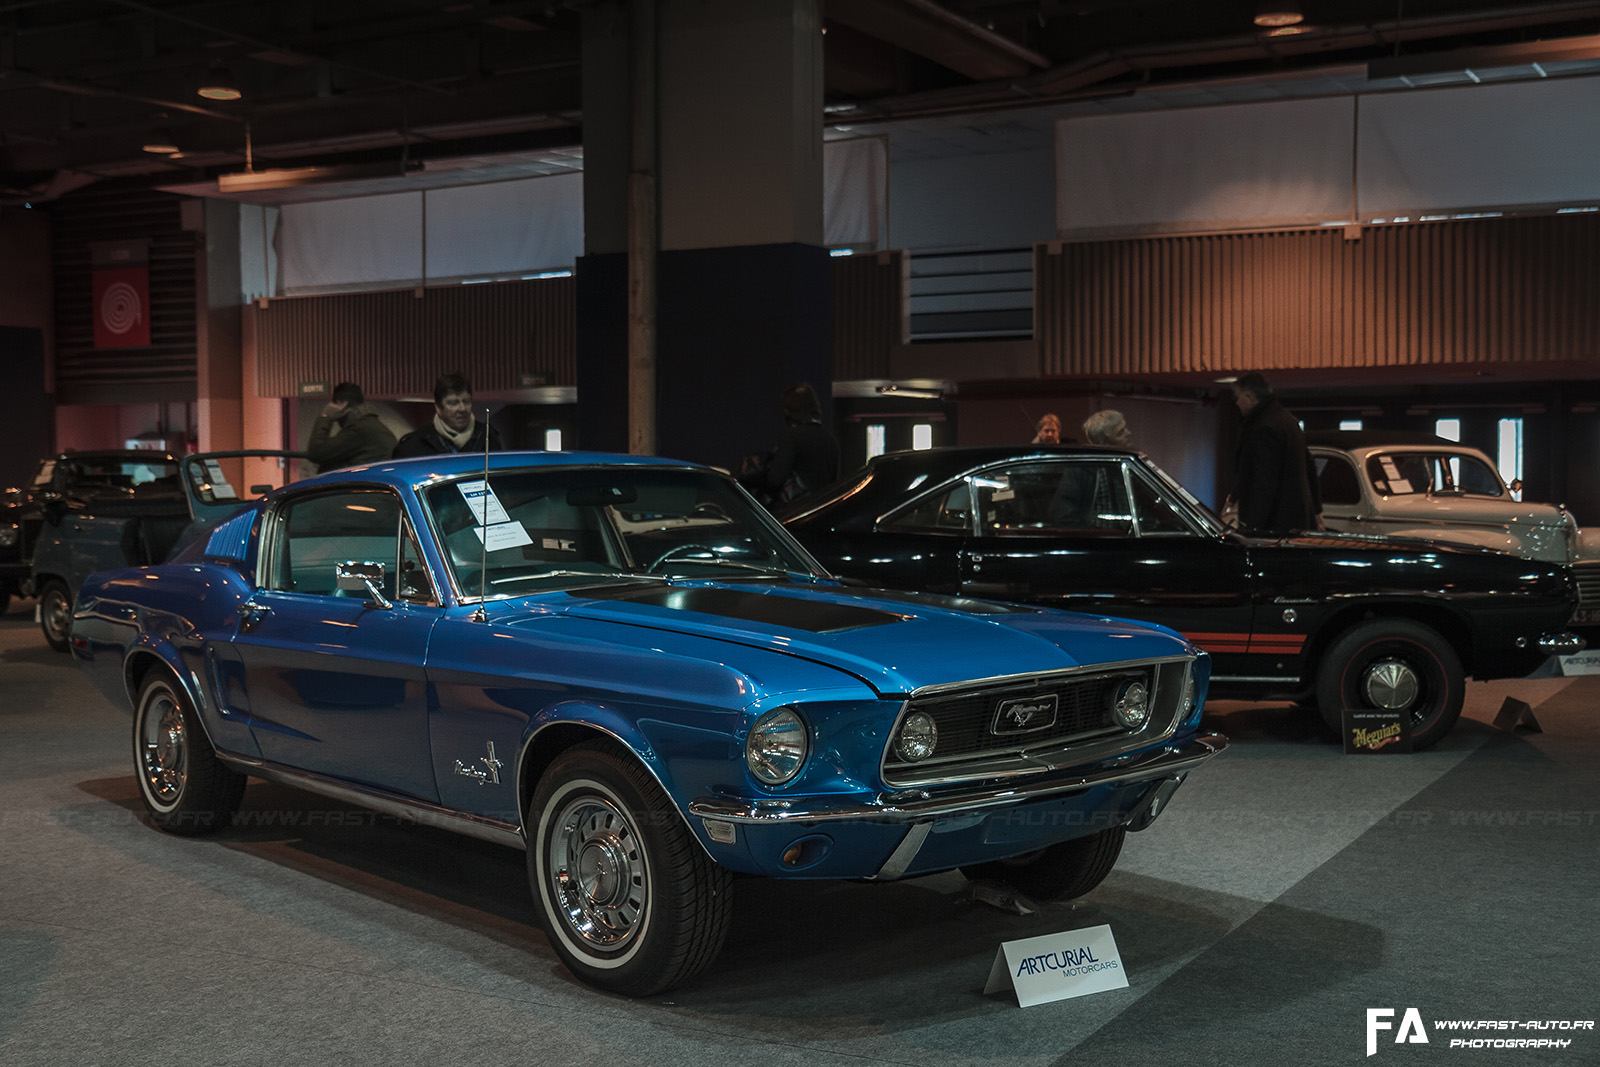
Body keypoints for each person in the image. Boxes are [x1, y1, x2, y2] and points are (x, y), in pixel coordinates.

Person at [1226, 371, 1321, 534]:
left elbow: (1263, 483)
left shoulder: (1263, 428)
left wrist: (1252, 529)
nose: (1237, 403)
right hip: (1297, 519)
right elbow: (1310, 466)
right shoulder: (1288, 420)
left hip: (1275, 525)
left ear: (1249, 397)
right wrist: (1317, 510)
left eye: (1238, 397)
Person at [739, 382, 839, 508]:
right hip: (820, 512)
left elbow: (775, 481)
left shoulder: (793, 436)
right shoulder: (830, 439)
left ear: (789, 410)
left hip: (795, 513)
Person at [1048, 410, 1132, 527]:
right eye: (1120, 432)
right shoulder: (1081, 470)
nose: (1128, 433)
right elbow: (1062, 515)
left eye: (1125, 428)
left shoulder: (1126, 466)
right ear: (1103, 443)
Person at [392, 372, 503, 458]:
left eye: (466, 401)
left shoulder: (488, 438)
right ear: (438, 407)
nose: (462, 408)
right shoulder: (414, 446)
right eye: (453, 403)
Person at [304, 382, 398, 473]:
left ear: (340, 403)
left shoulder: (359, 429)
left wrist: (325, 417)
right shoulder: (374, 425)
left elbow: (316, 452)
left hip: (359, 484)